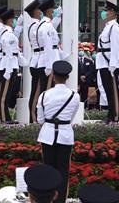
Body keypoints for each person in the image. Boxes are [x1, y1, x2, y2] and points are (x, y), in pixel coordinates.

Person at [36, 60, 80, 203]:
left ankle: (47, 200)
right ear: (68, 77)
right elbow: (71, 117)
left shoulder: (44, 95)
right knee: (63, 170)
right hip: (65, 135)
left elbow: (40, 120)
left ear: (53, 76)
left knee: (48, 169)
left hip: (47, 134)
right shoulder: (74, 96)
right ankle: (60, 200)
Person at [0, 8, 26, 123]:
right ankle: (3, 118)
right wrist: (8, 70)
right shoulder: (7, 34)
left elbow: (15, 51)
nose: (14, 21)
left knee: (7, 93)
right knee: (3, 94)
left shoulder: (9, 33)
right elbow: (8, 53)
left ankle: (6, 117)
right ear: (9, 20)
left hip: (12, 64)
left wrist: (22, 60)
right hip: (8, 65)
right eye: (13, 19)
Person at [95, 0, 119, 123]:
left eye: (107, 11)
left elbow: (116, 47)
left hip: (109, 64)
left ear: (112, 13)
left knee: (113, 91)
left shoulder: (114, 28)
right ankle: (110, 115)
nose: (104, 13)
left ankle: (115, 116)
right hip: (102, 63)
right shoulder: (107, 27)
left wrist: (113, 64)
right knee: (107, 90)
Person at [24, 0, 45, 122]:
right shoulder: (35, 26)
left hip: (38, 59)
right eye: (39, 9)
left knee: (38, 91)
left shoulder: (36, 24)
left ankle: (35, 117)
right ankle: (33, 118)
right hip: (37, 61)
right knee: (36, 92)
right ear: (35, 11)